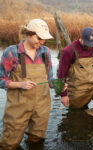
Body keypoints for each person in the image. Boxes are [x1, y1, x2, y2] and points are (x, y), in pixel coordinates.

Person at [0, 19, 53, 149]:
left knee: (36, 141)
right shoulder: (12, 52)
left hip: (42, 106)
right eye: (39, 38)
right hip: (18, 107)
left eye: (44, 39)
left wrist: (61, 87)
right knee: (8, 144)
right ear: (29, 34)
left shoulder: (46, 52)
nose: (42, 42)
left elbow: (50, 79)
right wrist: (20, 85)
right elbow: (1, 79)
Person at [58, 27, 93, 109]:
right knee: (76, 113)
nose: (89, 46)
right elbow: (61, 74)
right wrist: (63, 95)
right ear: (81, 37)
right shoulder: (68, 51)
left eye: (91, 43)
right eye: (87, 43)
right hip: (78, 89)